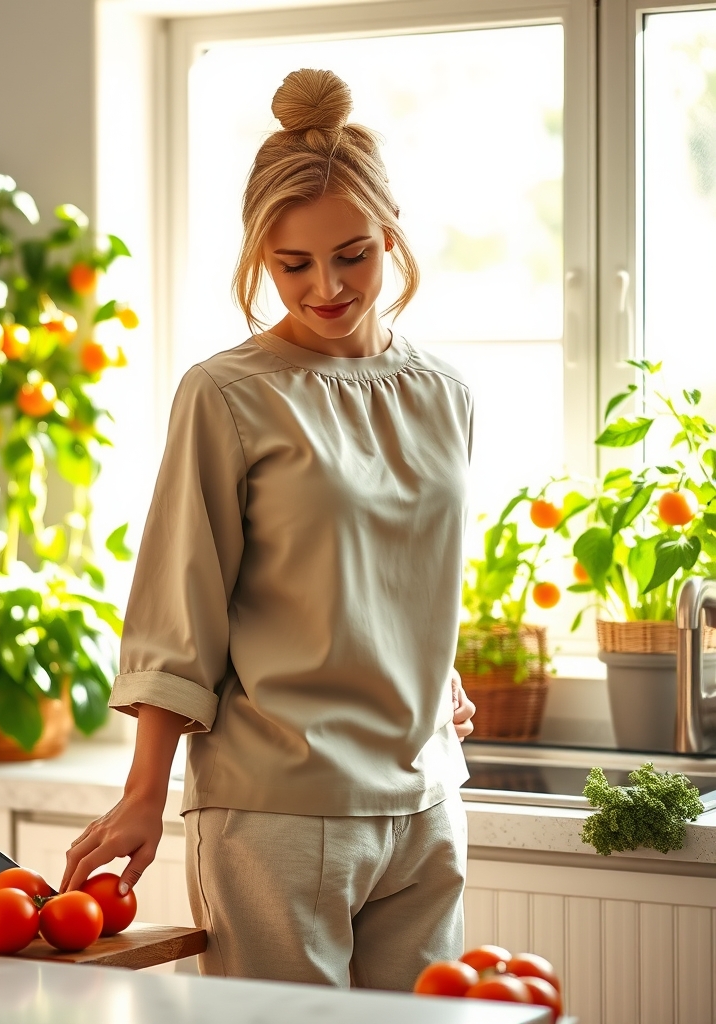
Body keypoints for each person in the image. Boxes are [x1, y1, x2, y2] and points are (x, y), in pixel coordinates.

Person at [60, 68, 476, 991]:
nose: (327, 286)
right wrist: (143, 794)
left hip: (426, 802)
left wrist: (432, 666)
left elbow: (404, 563)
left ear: (392, 235)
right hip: (279, 811)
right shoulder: (227, 394)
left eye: (353, 255)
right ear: (259, 256)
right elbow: (182, 609)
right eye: (293, 265)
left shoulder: (445, 394)